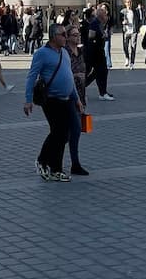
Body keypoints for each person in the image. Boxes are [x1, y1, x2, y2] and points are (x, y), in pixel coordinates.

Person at [23, 22, 81, 182]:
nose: (66, 37)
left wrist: (76, 99)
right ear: (54, 36)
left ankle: (55, 168)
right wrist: (28, 100)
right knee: (59, 132)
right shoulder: (41, 53)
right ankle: (43, 161)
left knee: (63, 134)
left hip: (67, 98)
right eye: (63, 34)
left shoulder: (64, 52)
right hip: (51, 99)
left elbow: (69, 75)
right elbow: (31, 76)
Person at [64, 24, 89, 176]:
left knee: (76, 131)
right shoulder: (65, 52)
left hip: (81, 94)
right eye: (74, 35)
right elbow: (64, 73)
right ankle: (50, 158)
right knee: (70, 131)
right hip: (68, 95)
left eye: (78, 34)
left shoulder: (80, 51)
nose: (77, 36)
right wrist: (75, 77)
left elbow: (85, 69)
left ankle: (75, 163)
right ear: (67, 37)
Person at [82, 6, 114, 100]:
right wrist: (101, 36)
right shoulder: (95, 23)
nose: (107, 16)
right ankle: (82, 86)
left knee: (102, 72)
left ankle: (103, 92)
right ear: (101, 16)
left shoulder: (99, 23)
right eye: (105, 14)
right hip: (93, 53)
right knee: (92, 71)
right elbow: (91, 36)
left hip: (98, 52)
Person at [120, 0, 140, 69]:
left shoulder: (135, 11)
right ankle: (127, 58)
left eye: (130, 2)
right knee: (125, 46)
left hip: (133, 31)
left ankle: (132, 63)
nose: (129, 4)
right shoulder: (122, 11)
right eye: (127, 2)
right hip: (126, 31)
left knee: (133, 47)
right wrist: (123, 22)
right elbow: (119, 21)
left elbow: (138, 20)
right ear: (125, 3)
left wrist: (138, 29)